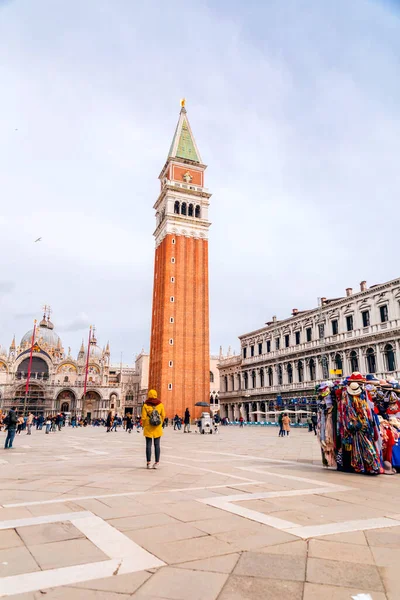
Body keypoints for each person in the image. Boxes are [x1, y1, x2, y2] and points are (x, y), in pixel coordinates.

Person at [141, 389, 165, 469]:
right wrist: (160, 423)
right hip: (157, 427)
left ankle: (148, 463)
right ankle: (157, 462)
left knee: (148, 445)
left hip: (148, 426)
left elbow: (143, 417)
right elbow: (163, 415)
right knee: (157, 445)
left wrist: (144, 425)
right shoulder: (160, 404)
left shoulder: (145, 405)